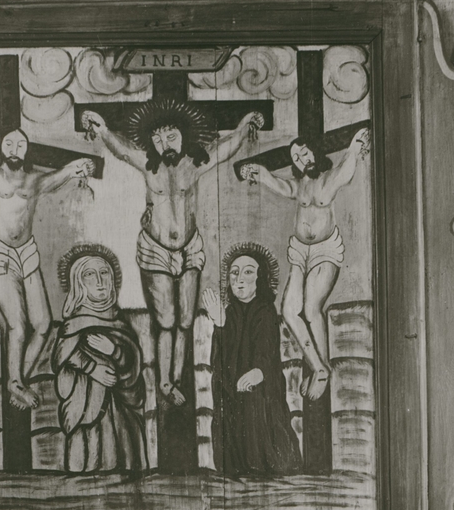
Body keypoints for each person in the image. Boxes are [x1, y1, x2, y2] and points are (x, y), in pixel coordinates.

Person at [82, 104, 263, 406]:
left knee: (186, 320)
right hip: (156, 251)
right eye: (158, 139)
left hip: (190, 248)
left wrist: (244, 125)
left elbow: (224, 149)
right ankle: (165, 382)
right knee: (166, 321)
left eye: (171, 136)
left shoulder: (195, 164)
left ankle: (176, 379)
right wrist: (101, 128)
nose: (165, 144)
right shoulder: (148, 165)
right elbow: (122, 149)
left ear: (183, 136)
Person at [0, 127, 94, 410]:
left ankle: (17, 382)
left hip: (26, 253)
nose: (14, 149)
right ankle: (16, 383)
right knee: (18, 328)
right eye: (8, 143)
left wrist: (80, 167)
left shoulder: (35, 180)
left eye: (20, 144)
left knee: (43, 324)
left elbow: (60, 176)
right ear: (0, 148)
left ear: (27, 149)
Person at [240, 125, 370, 401]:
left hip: (325, 250)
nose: (302, 160)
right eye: (296, 158)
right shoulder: (299, 186)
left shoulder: (328, 179)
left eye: (305, 152)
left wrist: (355, 147)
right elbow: (277, 183)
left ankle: (321, 371)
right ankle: (319, 366)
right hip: (300, 252)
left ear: (315, 151)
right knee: (289, 310)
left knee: (311, 308)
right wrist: (257, 172)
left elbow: (346, 170)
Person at [203, 244, 302, 477]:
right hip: (233, 390)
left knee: (258, 407)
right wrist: (220, 325)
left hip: (261, 389)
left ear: (260, 278)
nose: (239, 279)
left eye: (248, 272)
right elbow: (219, 361)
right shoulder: (229, 313)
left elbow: (267, 352)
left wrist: (259, 371)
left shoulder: (265, 311)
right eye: (234, 272)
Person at [53, 246, 147, 473]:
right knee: (90, 458)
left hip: (121, 407)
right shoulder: (73, 324)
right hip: (86, 408)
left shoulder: (119, 322)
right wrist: (93, 368)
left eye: (104, 273)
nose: (100, 281)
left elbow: (133, 360)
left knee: (123, 458)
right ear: (78, 283)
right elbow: (62, 356)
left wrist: (113, 350)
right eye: (89, 274)